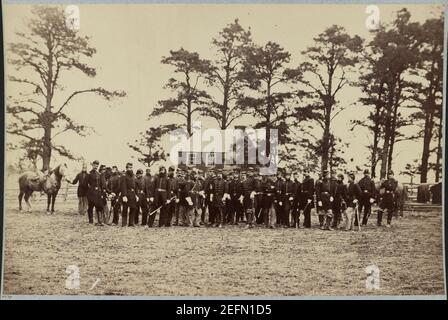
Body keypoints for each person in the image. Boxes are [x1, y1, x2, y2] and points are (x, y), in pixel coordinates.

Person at [87, 160, 106, 225]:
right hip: (91, 193)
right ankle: (91, 220)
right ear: (92, 165)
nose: (96, 166)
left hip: (98, 193)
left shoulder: (98, 174)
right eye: (95, 165)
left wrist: (101, 191)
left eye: (97, 165)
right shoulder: (89, 174)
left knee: (99, 206)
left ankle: (100, 221)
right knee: (90, 207)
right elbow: (86, 184)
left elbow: (101, 184)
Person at [121, 162, 138, 227]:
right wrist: (124, 196)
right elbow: (123, 186)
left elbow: (135, 186)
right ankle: (124, 223)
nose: (130, 169)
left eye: (131, 167)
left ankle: (131, 223)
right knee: (125, 209)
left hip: (132, 194)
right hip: (127, 193)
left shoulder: (133, 176)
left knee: (133, 208)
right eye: (129, 168)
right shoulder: (124, 176)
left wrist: (136, 195)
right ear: (126, 168)